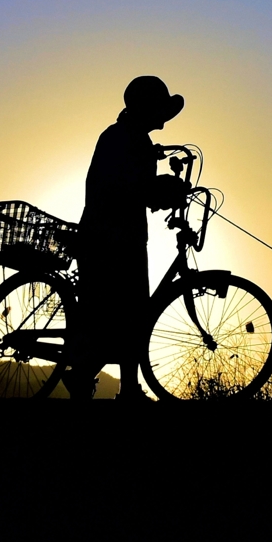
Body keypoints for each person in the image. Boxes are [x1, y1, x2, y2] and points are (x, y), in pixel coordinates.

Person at [67, 76, 185, 400]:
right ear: (147, 108)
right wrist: (163, 189)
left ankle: (121, 386)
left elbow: (137, 189)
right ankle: (118, 385)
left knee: (126, 314)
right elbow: (132, 189)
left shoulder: (127, 137)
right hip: (110, 239)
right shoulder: (126, 139)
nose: (163, 117)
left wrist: (158, 187)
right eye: (159, 109)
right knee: (123, 313)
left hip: (116, 237)